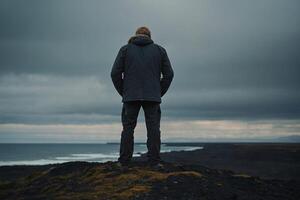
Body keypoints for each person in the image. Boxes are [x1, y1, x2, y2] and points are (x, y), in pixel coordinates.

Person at [111, 26, 174, 168]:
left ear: (136, 35)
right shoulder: (159, 50)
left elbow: (115, 73)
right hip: (152, 96)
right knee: (153, 129)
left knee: (128, 129)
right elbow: (169, 74)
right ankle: (154, 162)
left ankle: (124, 162)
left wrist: (124, 91)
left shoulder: (125, 50)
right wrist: (158, 91)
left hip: (130, 96)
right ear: (149, 36)